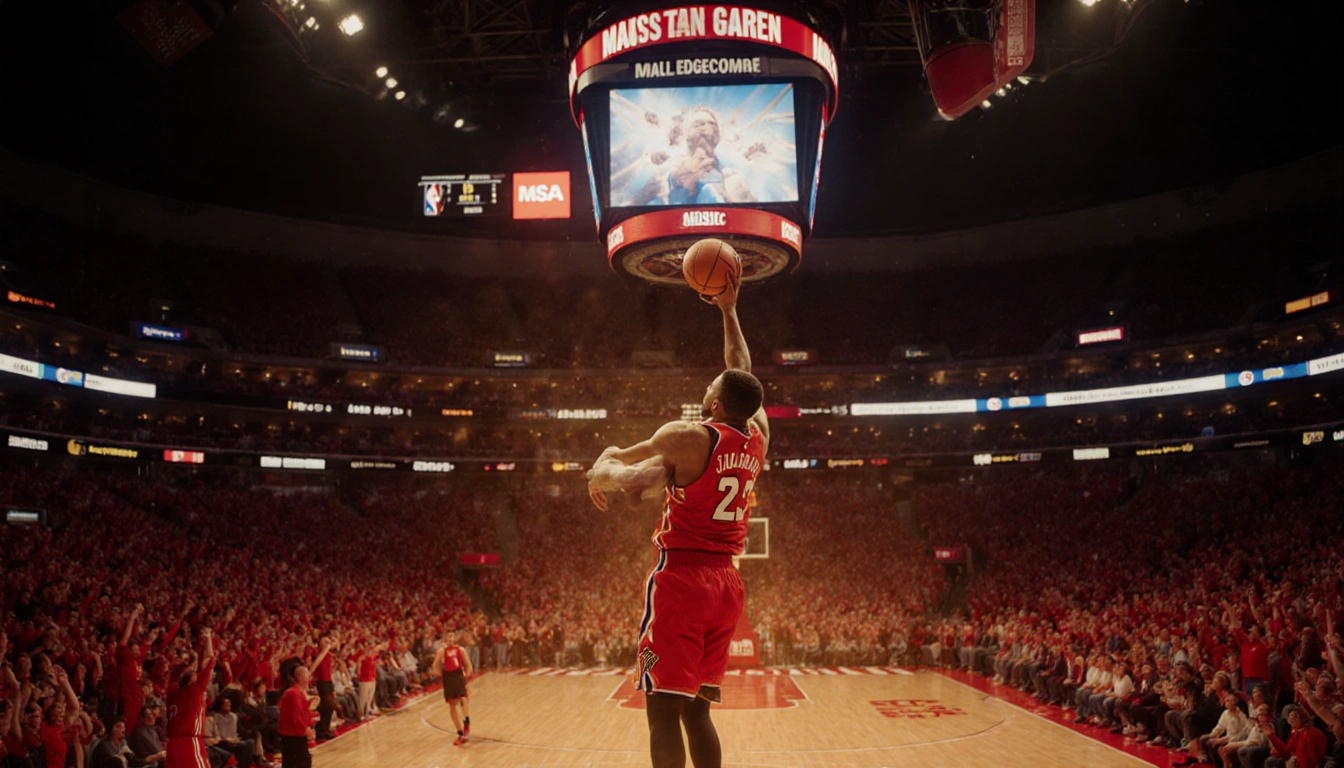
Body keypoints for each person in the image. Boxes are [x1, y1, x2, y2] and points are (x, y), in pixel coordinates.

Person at [588, 269, 768, 768]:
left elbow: (621, 477)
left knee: (661, 713)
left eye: (710, 385)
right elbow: (741, 370)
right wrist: (729, 310)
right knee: (698, 715)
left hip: (681, 582)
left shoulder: (687, 438)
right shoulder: (757, 437)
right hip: (727, 585)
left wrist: (602, 461)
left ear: (713, 402)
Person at [164, 627, 216, 768]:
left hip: (172, 745)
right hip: (189, 740)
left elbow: (173, 676)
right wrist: (208, 637)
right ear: (191, 680)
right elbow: (211, 659)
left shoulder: (174, 692)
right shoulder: (195, 689)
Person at [431, 632, 473, 747]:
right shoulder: (442, 652)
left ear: (455, 639)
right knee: (452, 705)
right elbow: (435, 665)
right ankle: (459, 731)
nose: (450, 639)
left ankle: (467, 721)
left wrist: (466, 674)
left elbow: (468, 665)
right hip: (448, 678)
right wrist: (440, 675)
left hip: (459, 676)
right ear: (445, 639)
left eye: (451, 636)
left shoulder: (461, 650)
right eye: (448, 637)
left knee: (463, 699)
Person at [278, 664, 315, 768]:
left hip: (294, 733)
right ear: (300, 677)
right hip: (292, 734)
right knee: (299, 763)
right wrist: (306, 729)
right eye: (307, 674)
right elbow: (296, 716)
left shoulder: (297, 692)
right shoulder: (294, 693)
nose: (310, 676)